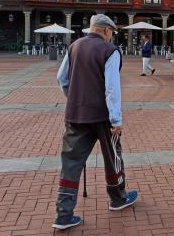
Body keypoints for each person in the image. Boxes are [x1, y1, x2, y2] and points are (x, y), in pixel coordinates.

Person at [54, 14, 138, 230]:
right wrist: (116, 120)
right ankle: (118, 198)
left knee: (71, 163)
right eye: (112, 33)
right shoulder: (110, 51)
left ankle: (63, 215)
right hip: (102, 116)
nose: (111, 37)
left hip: (76, 113)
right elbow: (112, 89)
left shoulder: (74, 46)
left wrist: (74, 98)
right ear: (106, 31)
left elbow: (62, 79)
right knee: (112, 156)